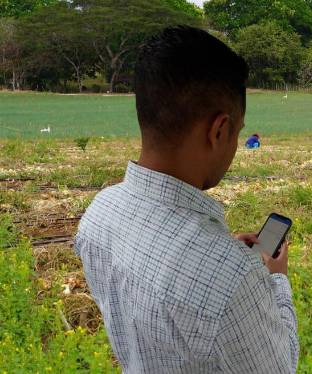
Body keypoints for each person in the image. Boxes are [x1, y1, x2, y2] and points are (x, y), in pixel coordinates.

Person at [74, 27, 299, 373]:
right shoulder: (232, 277)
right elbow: (280, 367)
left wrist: (217, 250)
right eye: (237, 132)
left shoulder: (100, 212)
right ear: (218, 131)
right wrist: (276, 279)